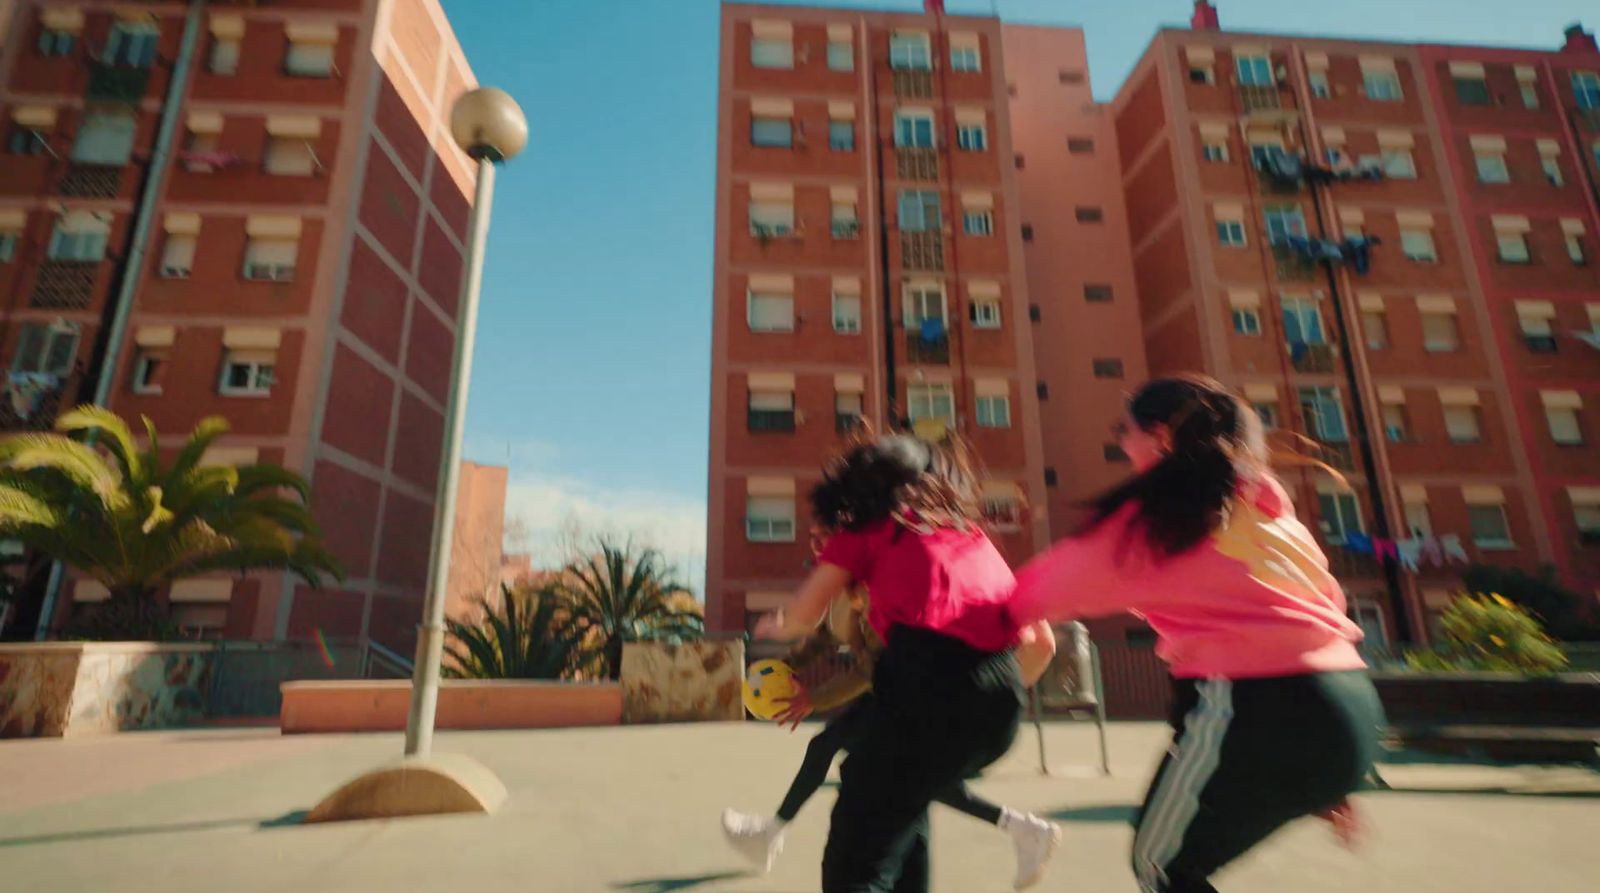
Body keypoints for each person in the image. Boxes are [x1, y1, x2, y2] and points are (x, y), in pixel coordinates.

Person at [1008, 374, 1386, 893]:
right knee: (1176, 864)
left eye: (1125, 430)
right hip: (1352, 710)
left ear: (1160, 437)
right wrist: (1325, 769)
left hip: (1257, 707)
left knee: (1160, 864)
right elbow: (1314, 601)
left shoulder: (1160, 518)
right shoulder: (1268, 509)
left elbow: (1032, 594)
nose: (1122, 444)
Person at [750, 434, 1040, 893]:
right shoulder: (969, 534)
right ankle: (1021, 828)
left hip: (923, 686)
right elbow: (1040, 642)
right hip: (1002, 701)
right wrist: (988, 700)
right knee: (902, 798)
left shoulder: (864, 533)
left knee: (856, 858)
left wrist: (775, 626)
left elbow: (805, 615)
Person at [723, 579, 1062, 890]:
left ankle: (770, 833)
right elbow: (829, 634)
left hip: (910, 689)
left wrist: (814, 698)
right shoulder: (843, 579)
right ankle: (1022, 828)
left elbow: (868, 665)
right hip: (896, 689)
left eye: (824, 536)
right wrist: (790, 667)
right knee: (912, 785)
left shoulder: (874, 578)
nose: (819, 545)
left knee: (846, 754)